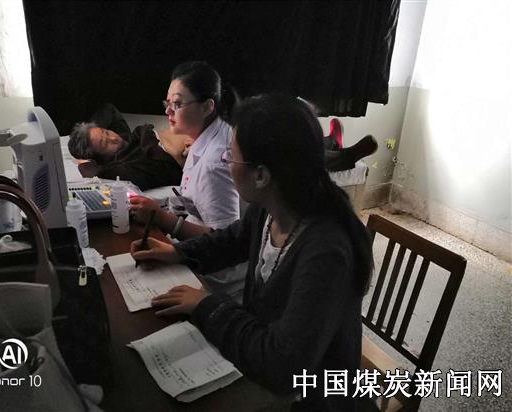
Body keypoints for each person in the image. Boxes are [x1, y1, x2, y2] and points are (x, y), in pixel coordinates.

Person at [131, 94, 374, 411]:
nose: (226, 164)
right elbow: (233, 240)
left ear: (261, 175)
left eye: (231, 158)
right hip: (269, 369)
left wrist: (207, 305)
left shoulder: (325, 251)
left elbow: (284, 366)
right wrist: (177, 252)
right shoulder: (273, 205)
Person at [129, 61, 245, 298]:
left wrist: (162, 219)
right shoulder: (206, 136)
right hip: (198, 252)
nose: (168, 112)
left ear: (207, 107)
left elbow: (224, 242)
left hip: (216, 275)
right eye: (167, 103)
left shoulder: (215, 162)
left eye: (177, 104)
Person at [68, 103, 185, 191]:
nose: (113, 138)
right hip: (180, 151)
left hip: (173, 136)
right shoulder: (121, 168)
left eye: (106, 132)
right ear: (102, 158)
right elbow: (90, 171)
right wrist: (88, 163)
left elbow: (108, 109)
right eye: (105, 144)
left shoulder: (125, 138)